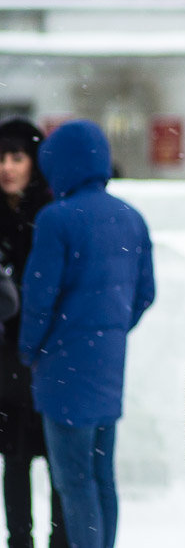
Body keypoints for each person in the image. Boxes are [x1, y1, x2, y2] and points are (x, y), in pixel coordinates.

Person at [19, 120, 155, 548]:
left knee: (73, 481)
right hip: (107, 365)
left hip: (63, 368)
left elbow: (39, 297)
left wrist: (30, 350)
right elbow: (145, 293)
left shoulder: (55, 219)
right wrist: (112, 328)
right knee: (100, 477)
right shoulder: (131, 218)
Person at [0, 118, 67, 548]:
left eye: (16, 157)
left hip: (49, 351)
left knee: (59, 454)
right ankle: (19, 538)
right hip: (5, 354)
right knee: (14, 455)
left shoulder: (51, 210)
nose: (7, 167)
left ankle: (59, 538)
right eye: (1, 158)